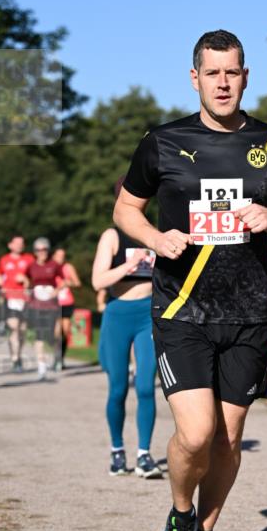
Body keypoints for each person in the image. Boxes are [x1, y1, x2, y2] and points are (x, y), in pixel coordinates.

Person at [114, 29, 267, 531]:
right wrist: (154, 238)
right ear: (195, 77)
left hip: (249, 312)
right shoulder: (163, 141)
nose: (223, 83)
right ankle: (179, 519)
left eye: (233, 72)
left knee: (227, 438)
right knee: (196, 435)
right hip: (182, 309)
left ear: (245, 77)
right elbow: (126, 208)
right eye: (213, 73)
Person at [92, 182, 161, 479]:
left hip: (148, 313)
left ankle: (144, 454)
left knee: (146, 386)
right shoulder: (112, 235)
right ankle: (117, 451)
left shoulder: (154, 232)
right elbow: (98, 281)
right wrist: (130, 265)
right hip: (119, 313)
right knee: (118, 388)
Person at [21, 238, 63, 381]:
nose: (42, 252)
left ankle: (58, 357)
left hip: (52, 305)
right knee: (39, 335)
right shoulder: (31, 266)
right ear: (35, 252)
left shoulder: (54, 265)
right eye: (39, 250)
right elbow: (26, 279)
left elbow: (65, 280)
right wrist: (27, 287)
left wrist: (58, 290)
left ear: (48, 250)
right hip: (37, 305)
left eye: (44, 249)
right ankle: (42, 367)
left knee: (54, 335)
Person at [0, 236, 35, 372]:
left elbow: (35, 278)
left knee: (22, 330)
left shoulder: (29, 259)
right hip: (10, 298)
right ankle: (15, 359)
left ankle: (18, 355)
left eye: (22, 243)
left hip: (24, 299)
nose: (19, 246)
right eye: (17, 243)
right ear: (10, 245)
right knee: (14, 327)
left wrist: (26, 280)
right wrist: (0, 281)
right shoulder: (4, 260)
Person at [53, 247, 81, 370]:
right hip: (53, 303)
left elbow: (77, 283)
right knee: (56, 332)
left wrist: (67, 283)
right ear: (53, 256)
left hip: (67, 302)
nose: (61, 258)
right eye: (58, 255)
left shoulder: (68, 267)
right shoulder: (50, 267)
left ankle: (61, 358)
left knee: (65, 332)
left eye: (63, 255)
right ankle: (56, 357)